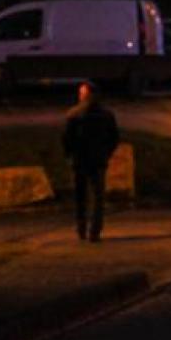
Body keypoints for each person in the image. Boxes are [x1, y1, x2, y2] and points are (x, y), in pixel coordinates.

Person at [62, 82, 119, 242]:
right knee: (98, 196)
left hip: (79, 159)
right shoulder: (106, 115)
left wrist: (69, 155)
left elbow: (67, 138)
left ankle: (81, 228)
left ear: (84, 95)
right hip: (98, 159)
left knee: (80, 195)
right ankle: (95, 231)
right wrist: (106, 154)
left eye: (81, 93)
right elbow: (114, 138)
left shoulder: (73, 114)